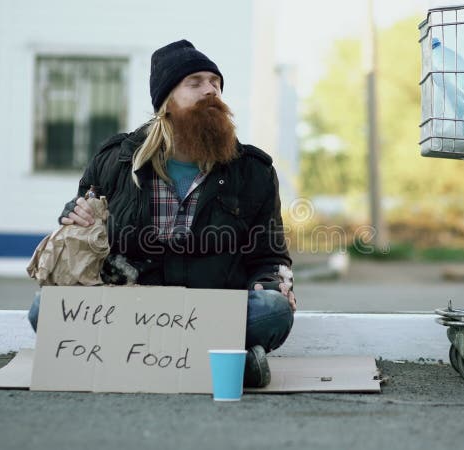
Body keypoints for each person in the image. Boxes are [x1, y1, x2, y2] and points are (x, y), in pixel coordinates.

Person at [28, 39, 295, 388]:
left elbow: (269, 254)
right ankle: (226, 363)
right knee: (43, 310)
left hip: (212, 310)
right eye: (195, 83)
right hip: (129, 309)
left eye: (215, 82)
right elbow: (83, 232)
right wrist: (74, 215)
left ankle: (135, 359)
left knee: (273, 311)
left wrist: (274, 285)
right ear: (166, 102)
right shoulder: (115, 161)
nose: (210, 91)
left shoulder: (253, 170)